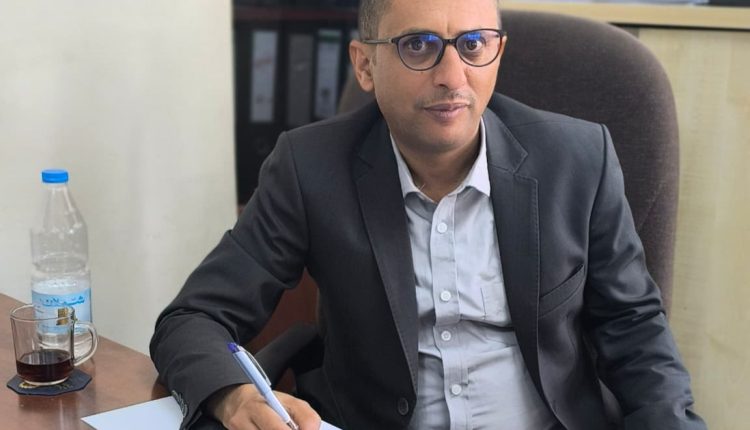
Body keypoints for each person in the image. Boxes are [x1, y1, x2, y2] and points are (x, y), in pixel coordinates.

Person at [150, 0, 707, 429]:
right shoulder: (309, 167)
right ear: (365, 65)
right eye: (418, 45)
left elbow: (635, 331)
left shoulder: (578, 161)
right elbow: (193, 318)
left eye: (473, 44)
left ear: (497, 53)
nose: (452, 76)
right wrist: (233, 395)